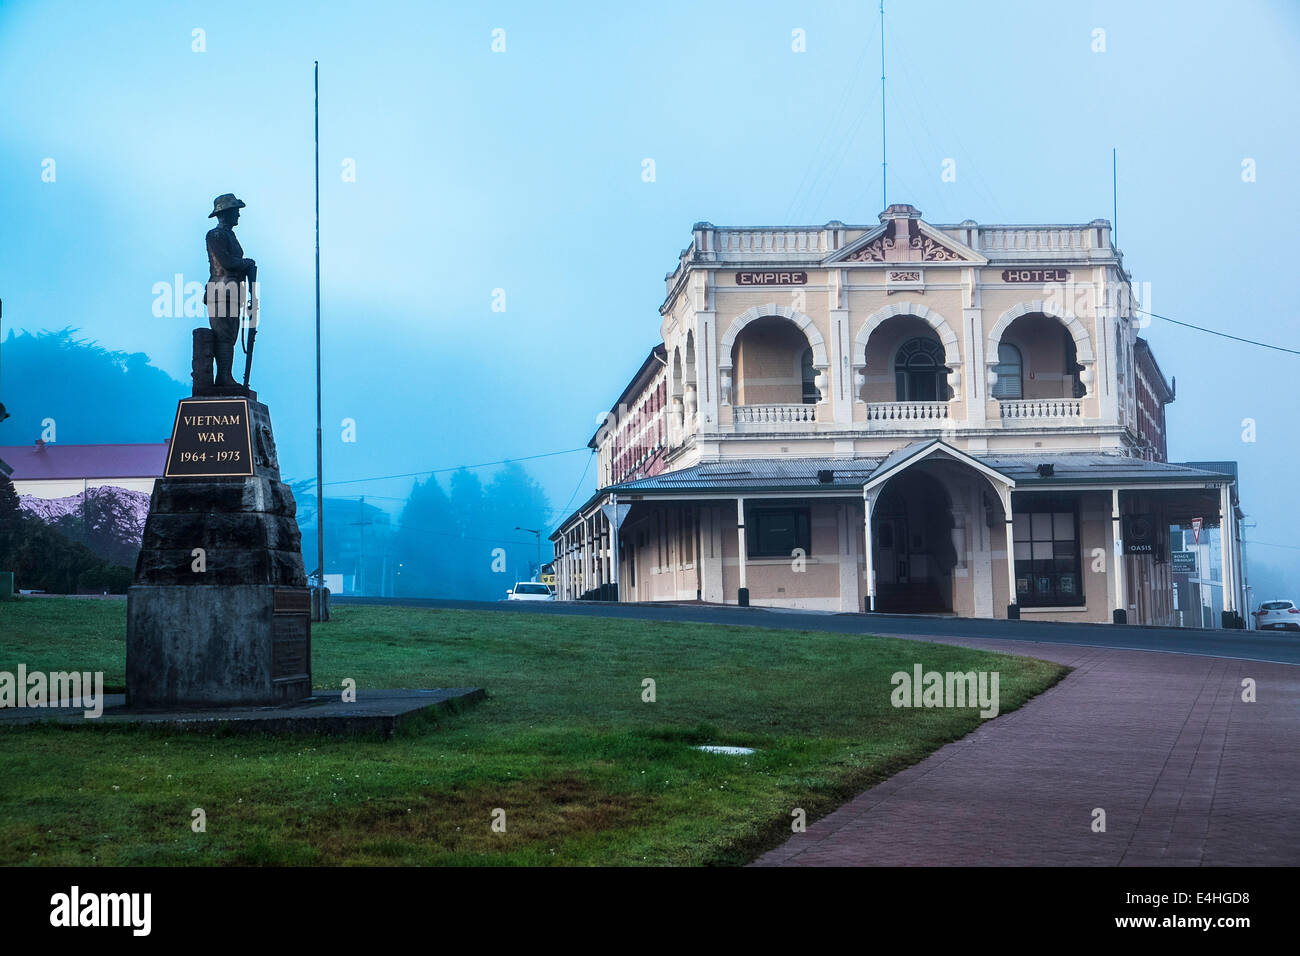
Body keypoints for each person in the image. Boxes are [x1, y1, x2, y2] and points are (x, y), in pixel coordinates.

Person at [204, 194, 256, 387]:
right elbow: (226, 262)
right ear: (226, 213)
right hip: (220, 291)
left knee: (230, 336)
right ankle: (223, 377)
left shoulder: (229, 235)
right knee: (223, 335)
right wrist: (245, 263)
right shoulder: (215, 235)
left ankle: (226, 376)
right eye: (236, 211)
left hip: (232, 292)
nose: (238, 216)